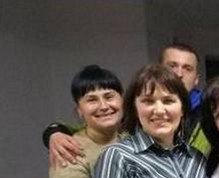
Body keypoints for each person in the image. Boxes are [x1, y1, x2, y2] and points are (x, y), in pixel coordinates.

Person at [45, 42, 209, 167]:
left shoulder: (210, 113)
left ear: (196, 79)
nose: (179, 74)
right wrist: (54, 132)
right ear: (158, 69)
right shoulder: (138, 109)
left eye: (187, 68)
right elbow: (95, 126)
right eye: (172, 65)